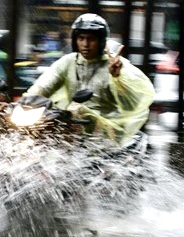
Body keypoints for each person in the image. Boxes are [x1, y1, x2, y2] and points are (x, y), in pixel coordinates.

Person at [22, 13, 155, 146]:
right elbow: (43, 86)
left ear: (102, 41)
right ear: (75, 40)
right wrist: (23, 103)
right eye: (81, 38)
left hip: (109, 136)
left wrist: (118, 78)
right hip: (73, 131)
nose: (85, 44)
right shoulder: (68, 62)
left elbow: (130, 105)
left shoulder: (115, 64)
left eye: (91, 39)